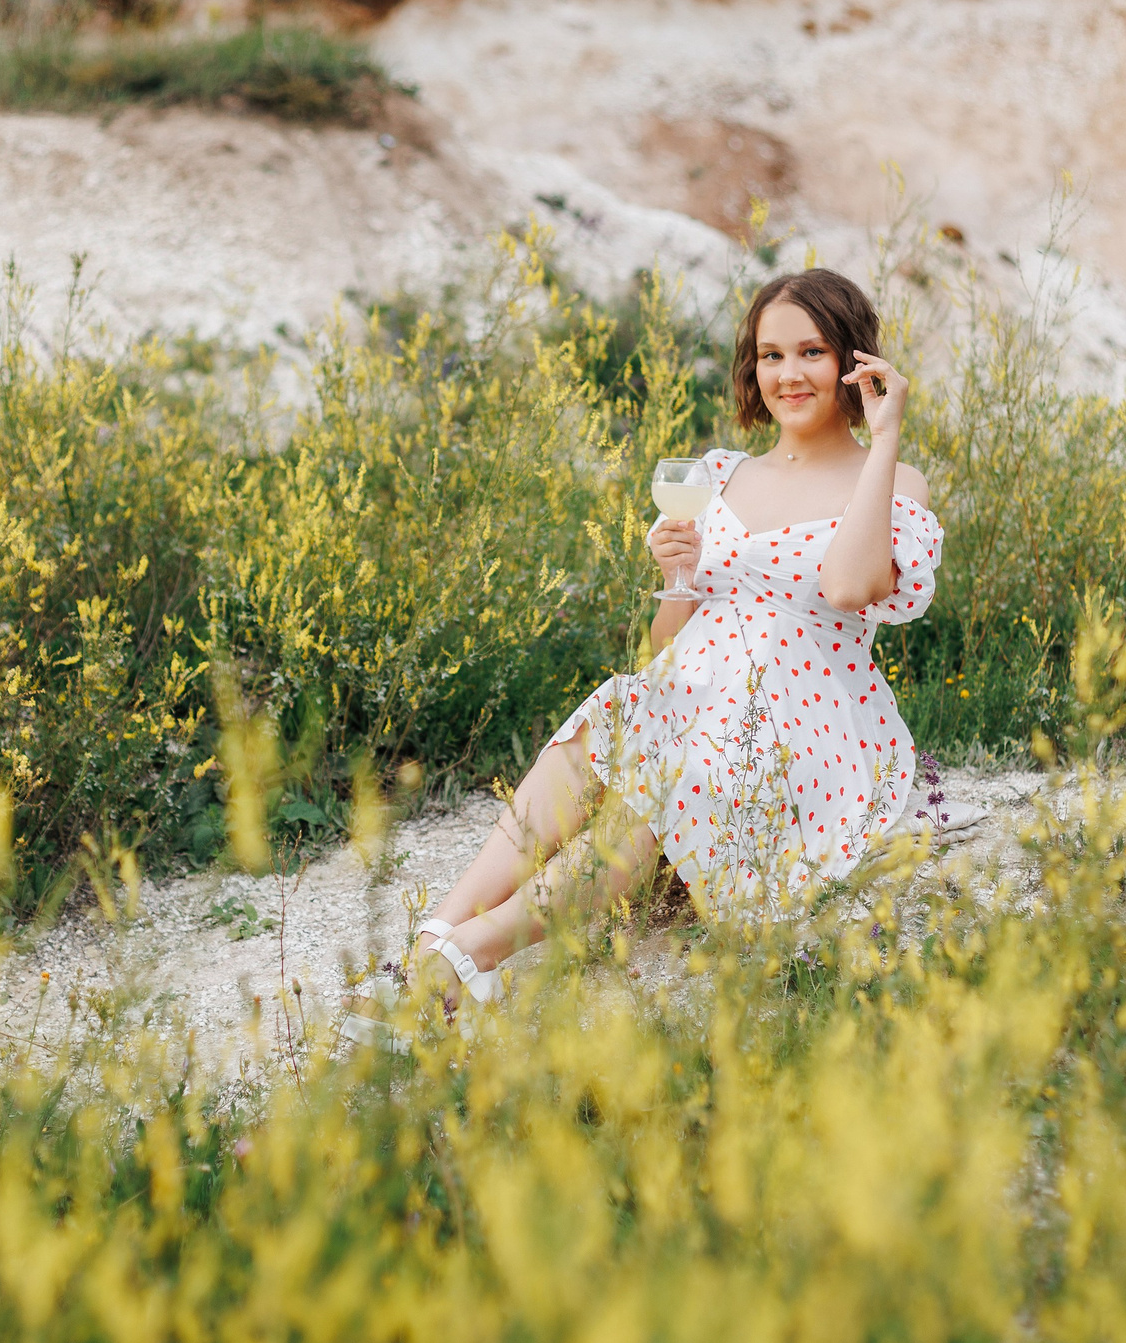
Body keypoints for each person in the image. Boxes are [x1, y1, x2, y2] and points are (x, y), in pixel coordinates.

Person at [396, 267, 942, 1010]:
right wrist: (677, 578)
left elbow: (850, 589)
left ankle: (467, 956)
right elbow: (668, 651)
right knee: (601, 721)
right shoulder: (720, 475)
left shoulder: (894, 479)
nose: (788, 374)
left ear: (854, 360)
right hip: (694, 694)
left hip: (801, 723)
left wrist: (882, 439)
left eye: (811, 352)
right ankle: (437, 933)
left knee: (669, 777)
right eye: (770, 355)